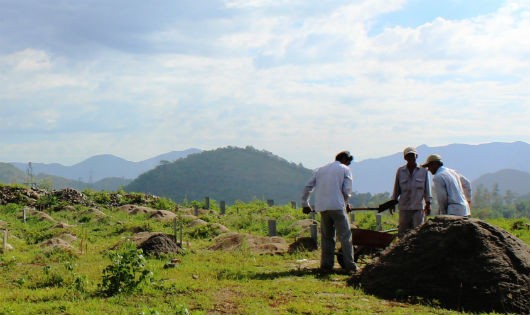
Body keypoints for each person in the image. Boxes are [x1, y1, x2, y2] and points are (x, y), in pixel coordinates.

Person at [301, 151, 356, 273]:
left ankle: (326, 266)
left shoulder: (321, 170)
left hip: (323, 207)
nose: (348, 164)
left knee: (327, 237)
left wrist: (305, 203)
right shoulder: (344, 169)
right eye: (348, 162)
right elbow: (346, 190)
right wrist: (346, 204)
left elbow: (308, 186)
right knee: (345, 237)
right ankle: (350, 267)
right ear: (344, 160)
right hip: (337, 206)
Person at [391, 147, 432, 237]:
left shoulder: (423, 171)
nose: (410, 158)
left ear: (416, 156)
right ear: (405, 158)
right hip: (404, 208)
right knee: (403, 233)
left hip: (418, 208)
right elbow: (396, 189)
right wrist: (392, 203)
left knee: (417, 233)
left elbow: (427, 190)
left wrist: (428, 204)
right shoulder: (400, 171)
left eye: (412, 155)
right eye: (408, 156)